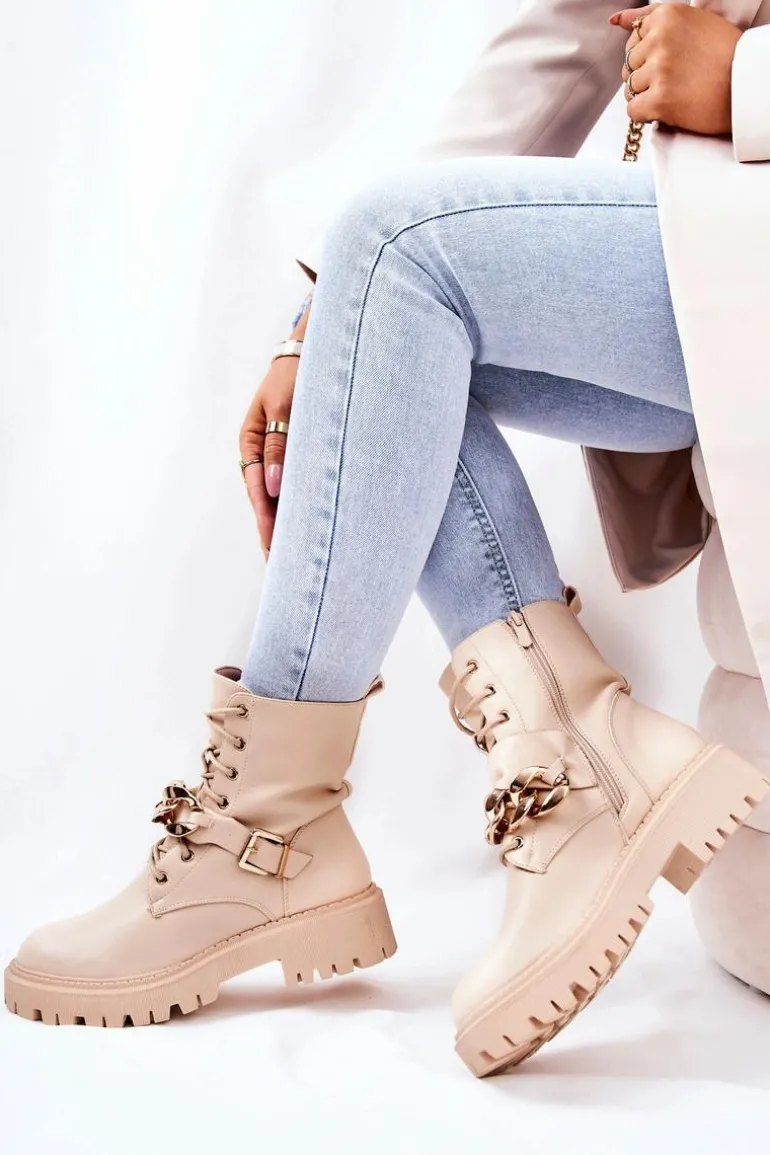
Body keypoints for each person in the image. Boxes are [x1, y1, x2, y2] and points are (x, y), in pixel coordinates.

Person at [6, 0, 770, 1077]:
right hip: (721, 239)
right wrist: (322, 327)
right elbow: (558, 43)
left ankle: (262, 834)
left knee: (400, 255)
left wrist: (746, 80)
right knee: (387, 313)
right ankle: (570, 756)